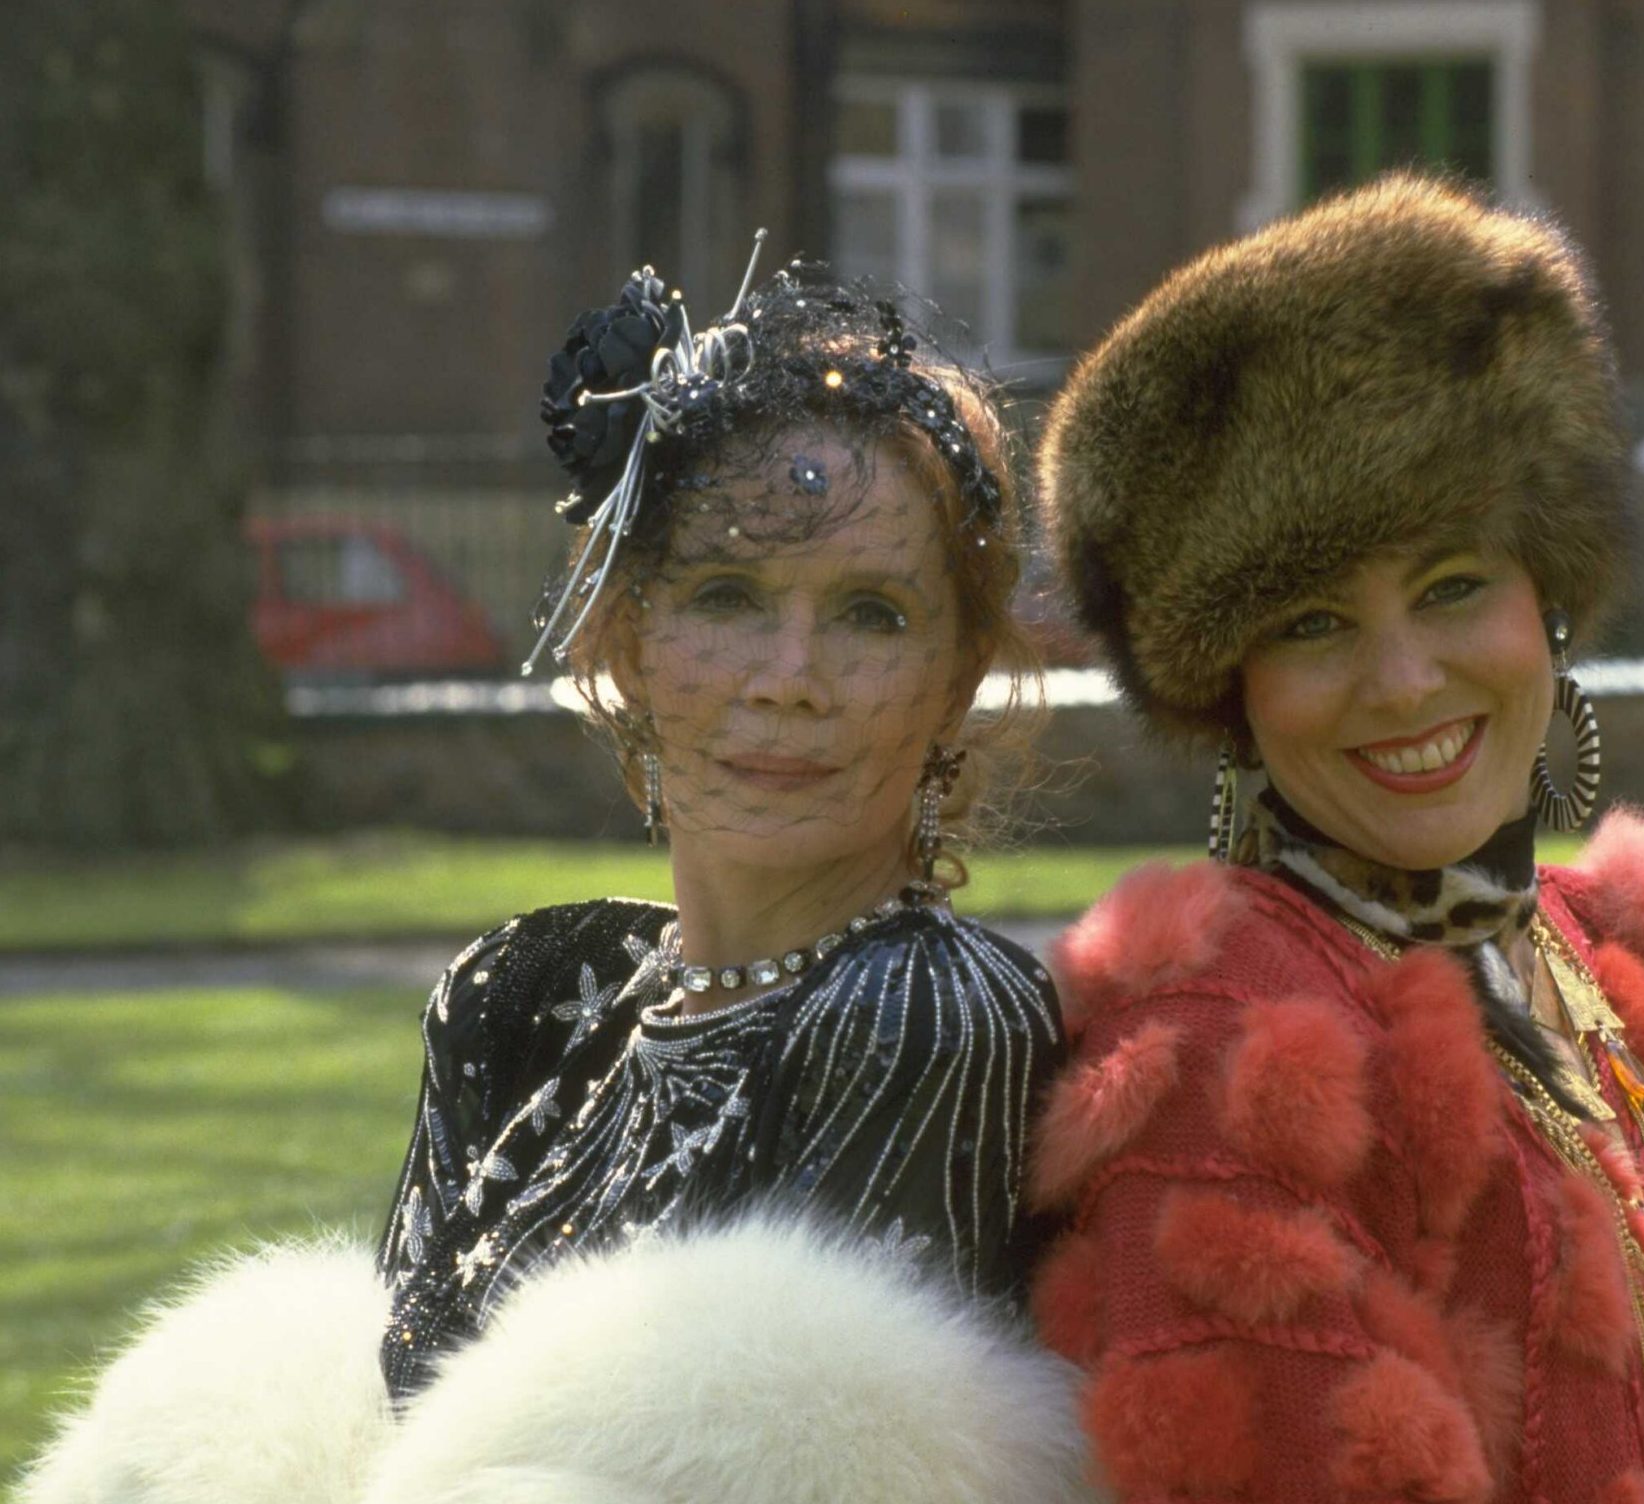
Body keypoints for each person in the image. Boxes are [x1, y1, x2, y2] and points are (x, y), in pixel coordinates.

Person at [22, 248, 1090, 1504]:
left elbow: (819, 1457)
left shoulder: (929, 1013)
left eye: (870, 614)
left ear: (959, 676)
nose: (788, 675)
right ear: (624, 636)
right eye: (728, 594)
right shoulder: (524, 993)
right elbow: (379, 1411)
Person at [1025, 175, 1644, 1504]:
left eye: (1452, 586)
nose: (1406, 680)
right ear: (1228, 686)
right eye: (1311, 623)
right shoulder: (1227, 1053)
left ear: (1547, 594)